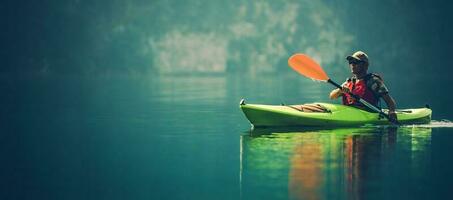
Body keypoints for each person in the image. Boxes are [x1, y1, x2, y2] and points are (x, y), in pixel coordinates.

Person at [329, 51, 398, 123]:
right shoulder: (348, 83)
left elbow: (390, 101)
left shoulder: (373, 81)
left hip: (366, 114)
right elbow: (332, 96)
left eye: (356, 62)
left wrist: (392, 112)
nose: (352, 64)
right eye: (351, 62)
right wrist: (340, 90)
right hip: (348, 113)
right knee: (318, 106)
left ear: (365, 65)